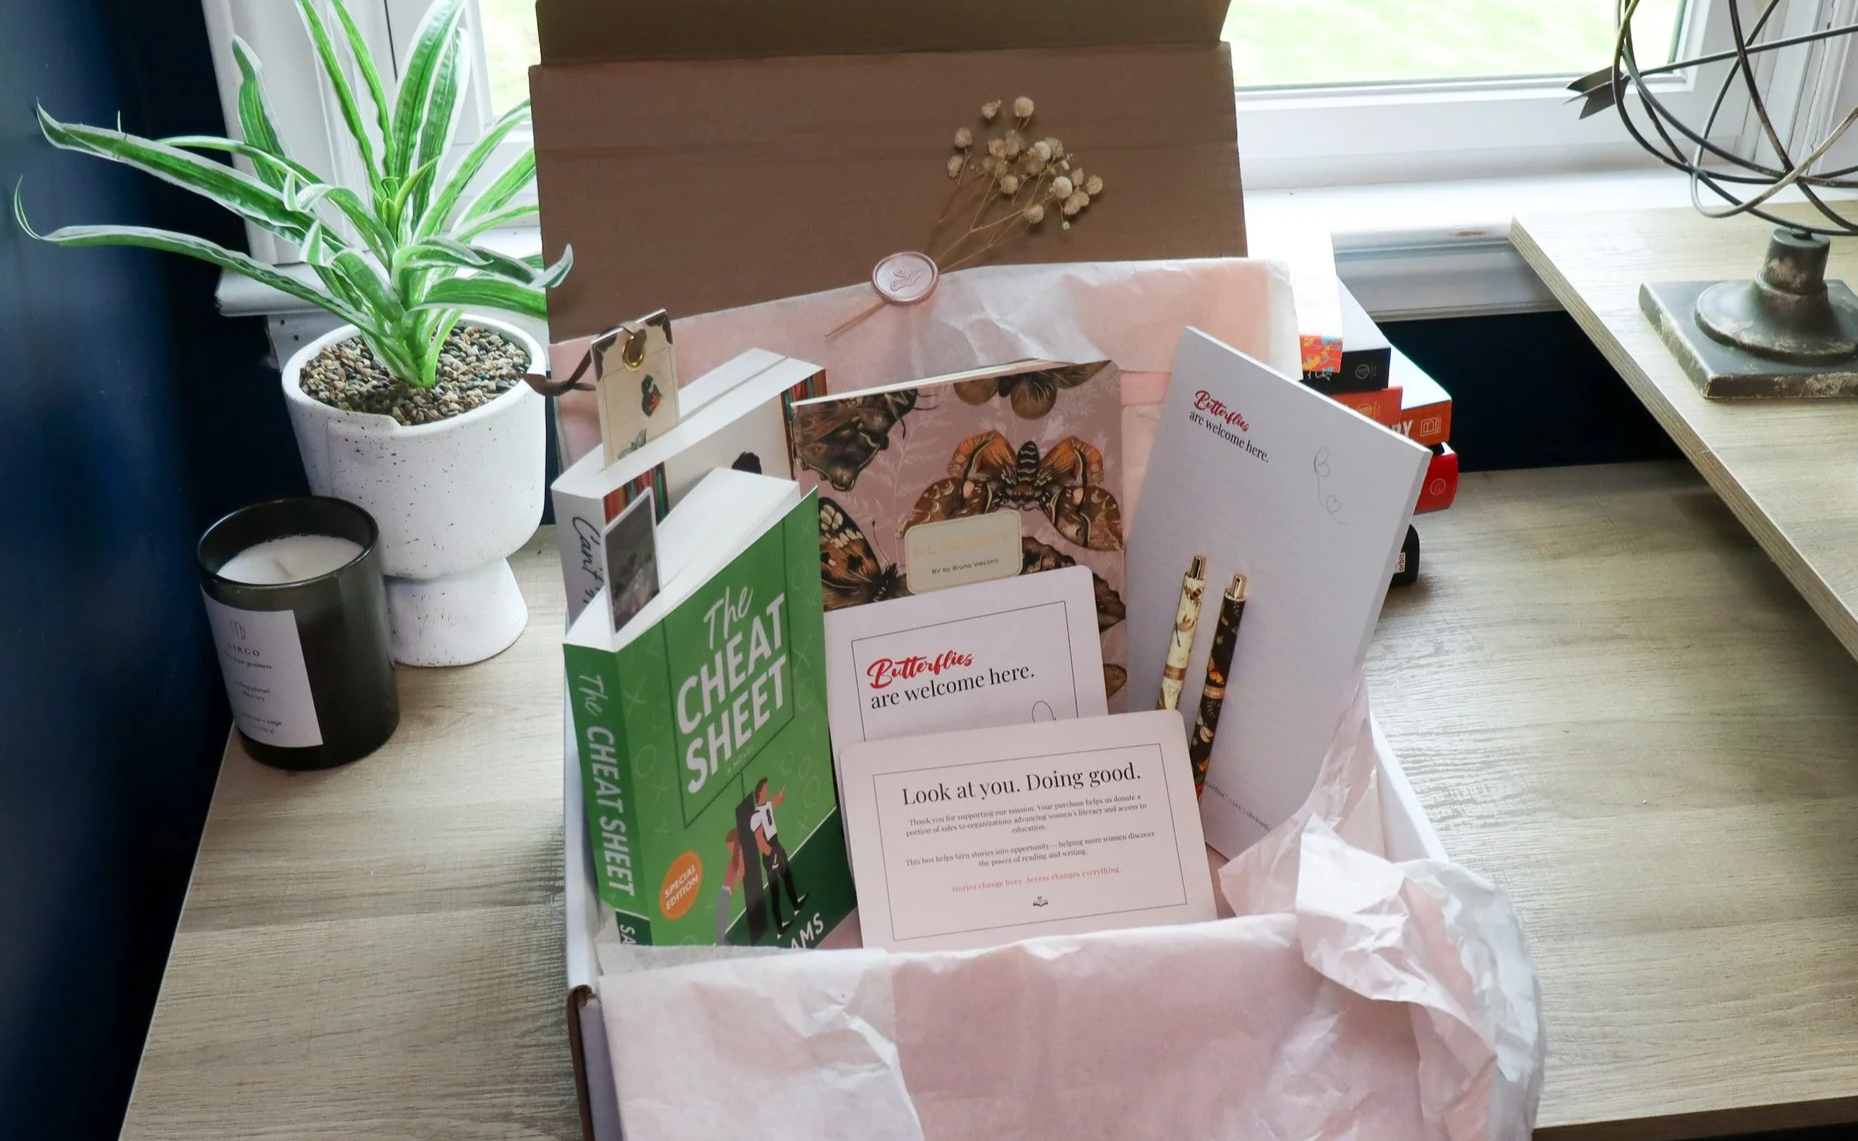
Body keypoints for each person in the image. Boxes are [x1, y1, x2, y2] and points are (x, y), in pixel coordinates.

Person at [749, 778, 804, 932]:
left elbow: (775, 801)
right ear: (760, 792)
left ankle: (796, 905)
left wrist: (780, 795)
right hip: (770, 852)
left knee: (787, 876)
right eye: (765, 789)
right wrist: (771, 854)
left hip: (776, 846)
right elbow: (759, 840)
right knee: (775, 891)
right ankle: (779, 927)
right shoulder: (755, 816)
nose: (767, 790)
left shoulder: (766, 806)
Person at [714, 829, 746, 944]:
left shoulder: (740, 857)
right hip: (725, 890)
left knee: (722, 916)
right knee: (720, 917)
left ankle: (721, 942)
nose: (728, 848)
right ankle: (721, 941)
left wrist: (731, 890)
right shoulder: (734, 858)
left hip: (726, 891)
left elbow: (741, 873)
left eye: (729, 845)